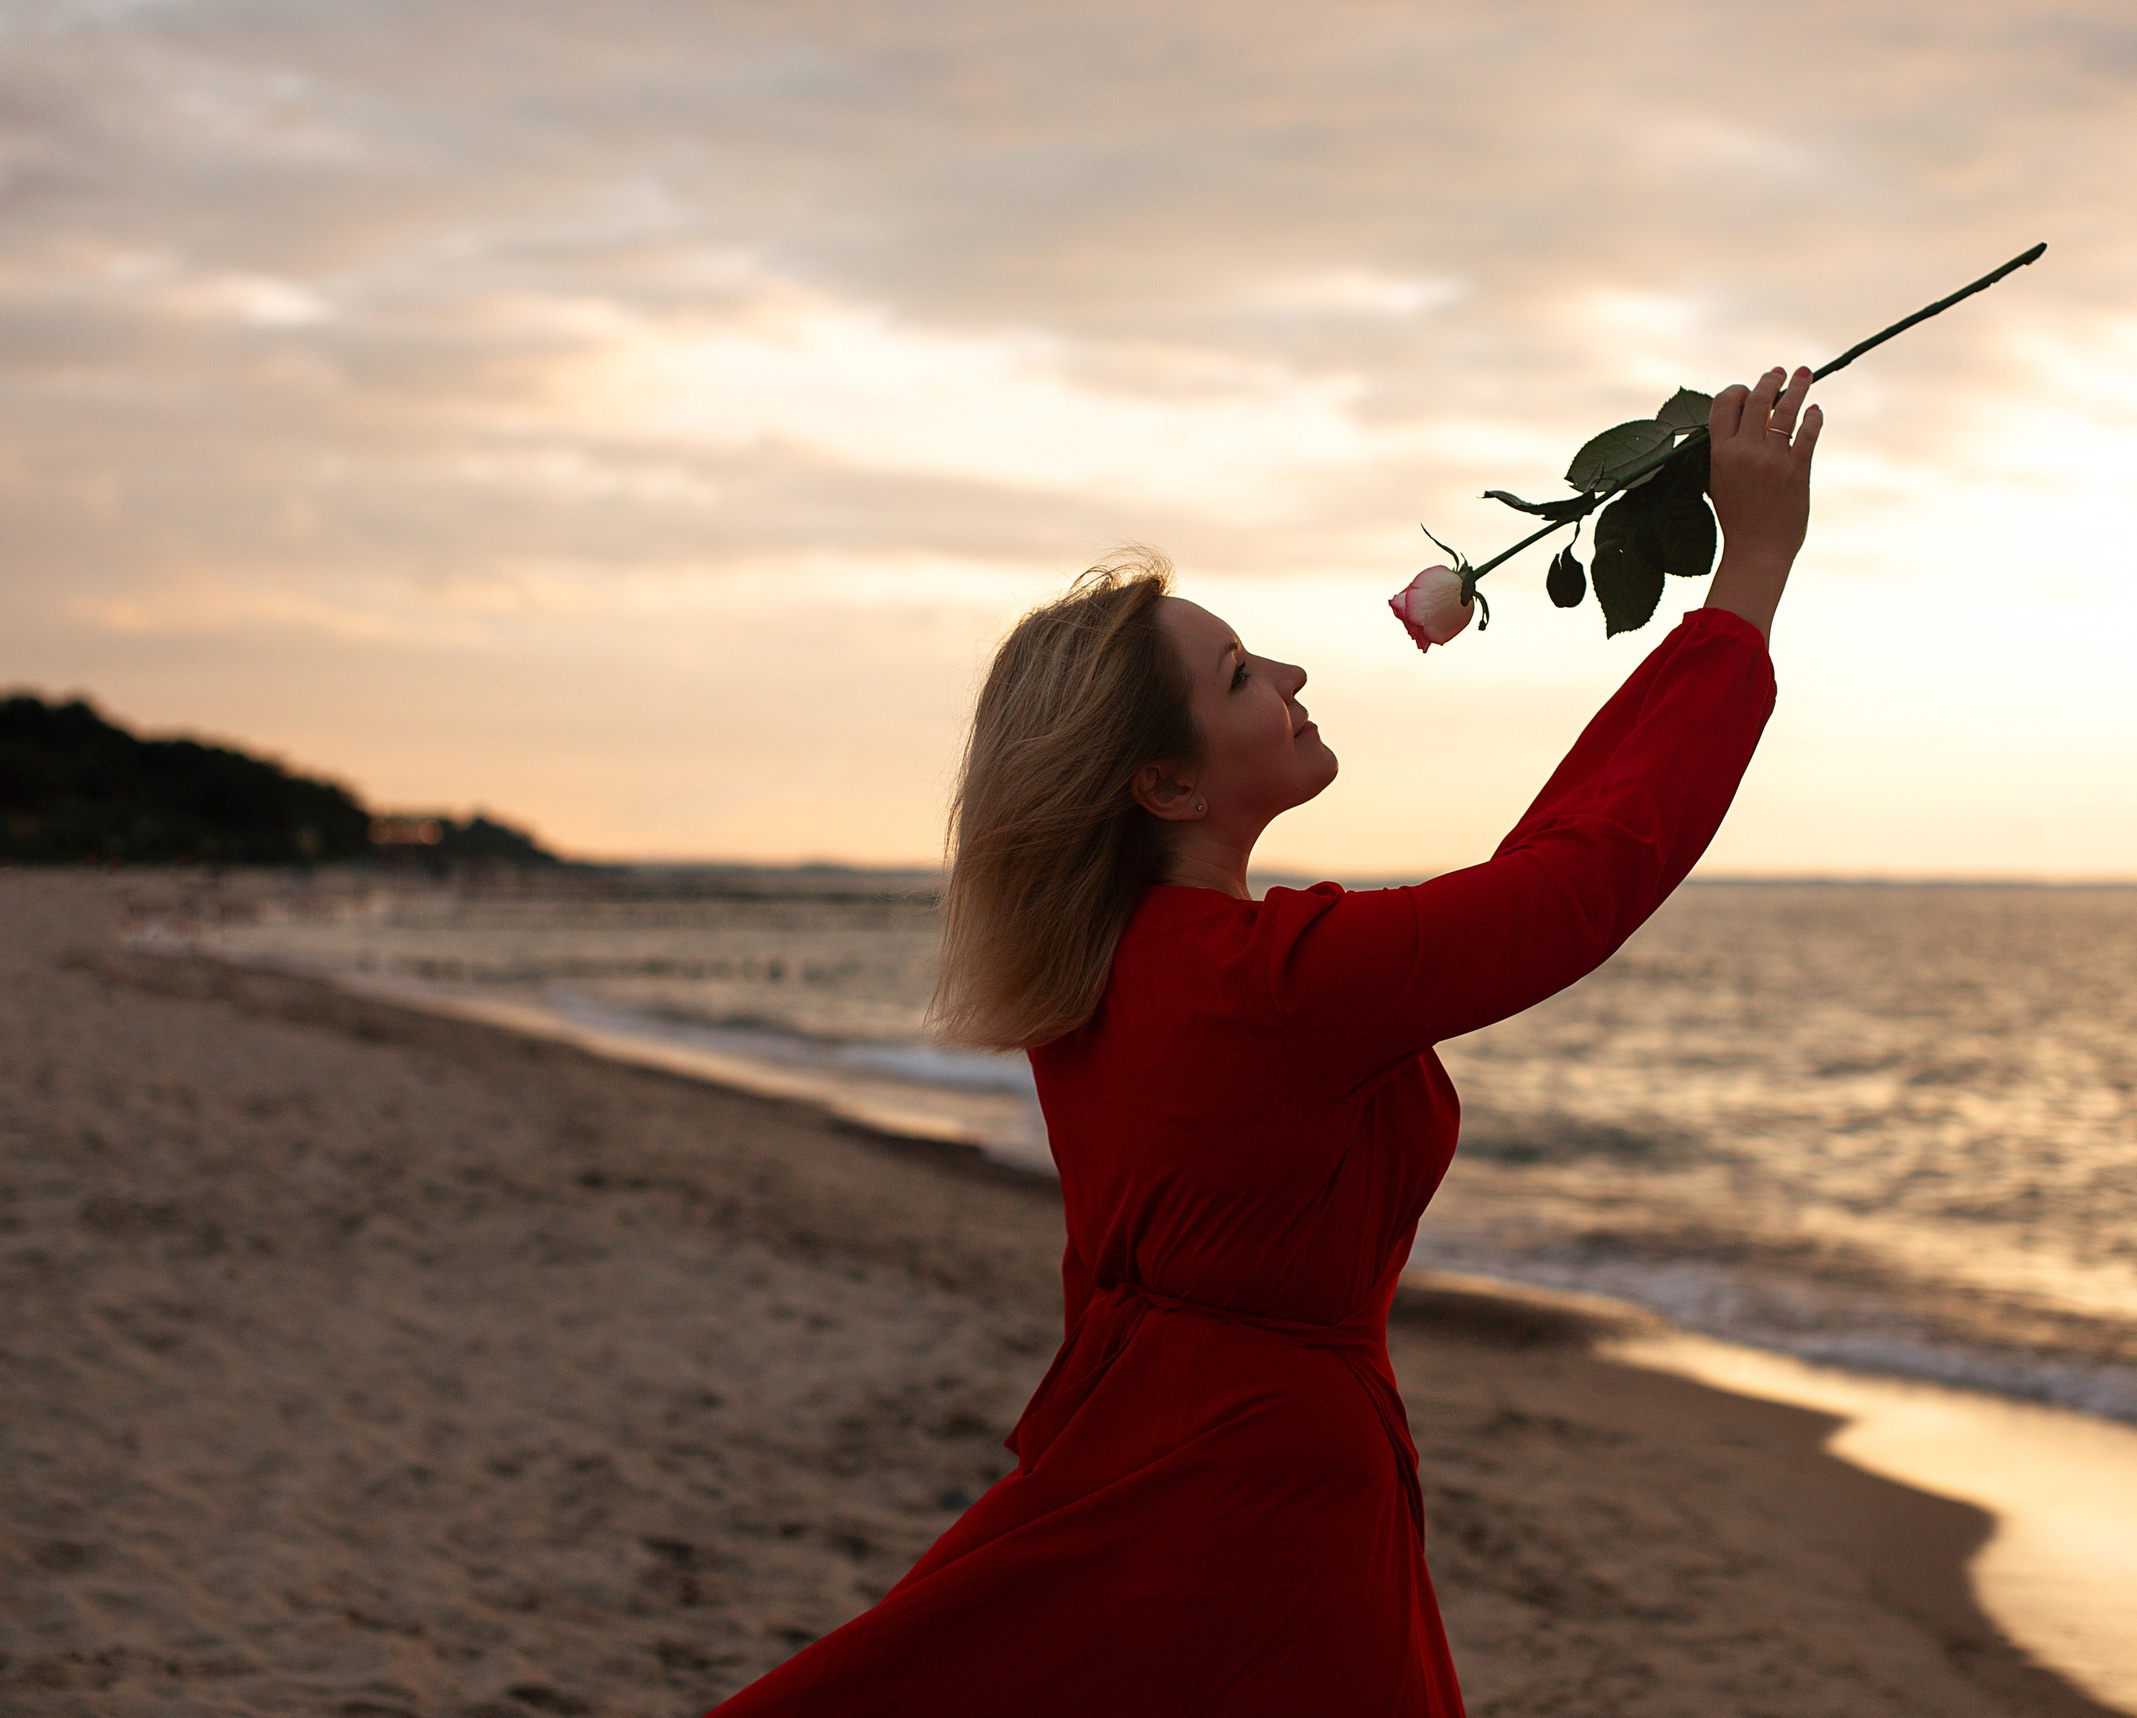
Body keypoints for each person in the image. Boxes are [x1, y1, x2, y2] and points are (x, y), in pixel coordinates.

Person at [706, 366, 1820, 1716]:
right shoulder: (1266, 982)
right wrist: (1745, 583)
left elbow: (1540, 875)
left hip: (1154, 1464)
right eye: (1239, 674)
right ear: (1167, 783)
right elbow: (1575, 886)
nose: (1291, 675)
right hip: (1264, 1505)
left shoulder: (1102, 971)